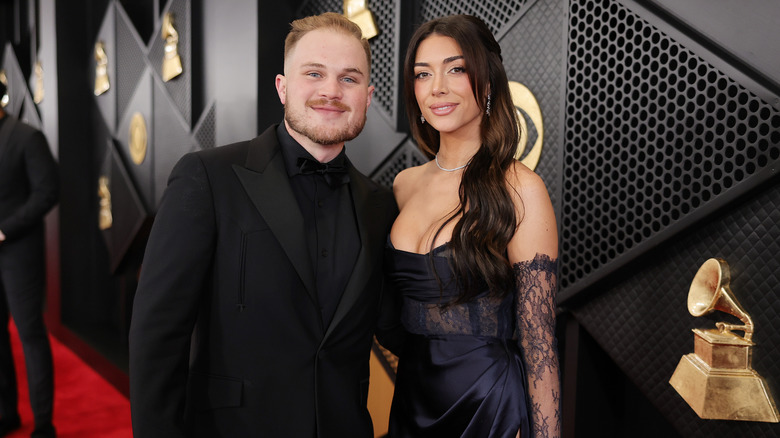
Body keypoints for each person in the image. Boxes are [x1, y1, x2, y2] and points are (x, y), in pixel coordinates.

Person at [128, 12, 398, 437]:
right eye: (314, 73)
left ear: (368, 95)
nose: (331, 90)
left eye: (350, 78)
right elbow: (157, 335)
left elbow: (394, 327)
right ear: (283, 87)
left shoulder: (380, 205)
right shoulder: (208, 176)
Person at [384, 15, 560, 437]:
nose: (437, 87)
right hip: (411, 398)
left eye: (456, 69)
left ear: (487, 82)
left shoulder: (519, 187)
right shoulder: (404, 185)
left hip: (488, 404)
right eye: (422, 74)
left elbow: (540, 345)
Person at [0, 80, 58, 438]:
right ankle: (7, 413)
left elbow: (48, 191)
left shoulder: (26, 137)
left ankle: (43, 424)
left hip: (19, 251)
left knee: (30, 335)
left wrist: (4, 230)